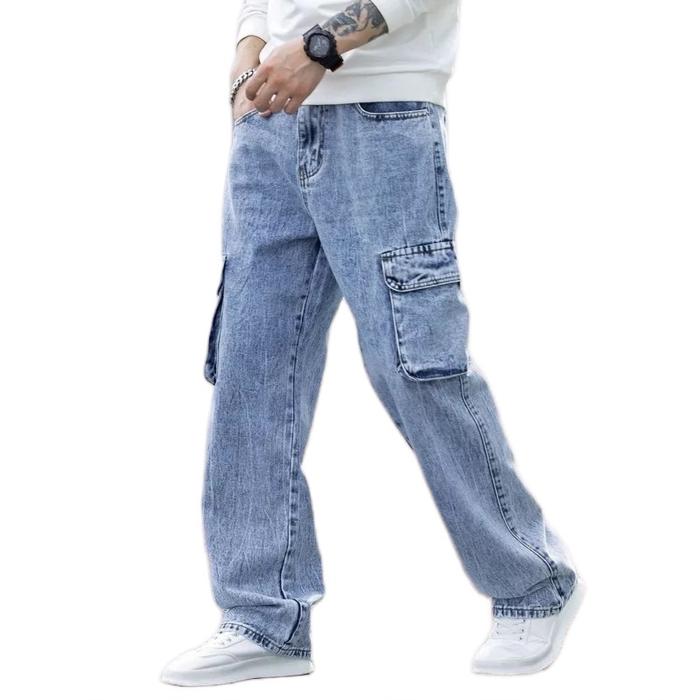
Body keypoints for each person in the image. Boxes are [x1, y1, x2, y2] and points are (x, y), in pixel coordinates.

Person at [161, 0, 582, 686]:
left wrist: (320, 47)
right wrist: (247, 55)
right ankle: (263, 619)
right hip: (270, 120)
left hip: (382, 118)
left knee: (414, 365)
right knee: (249, 371)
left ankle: (534, 586)